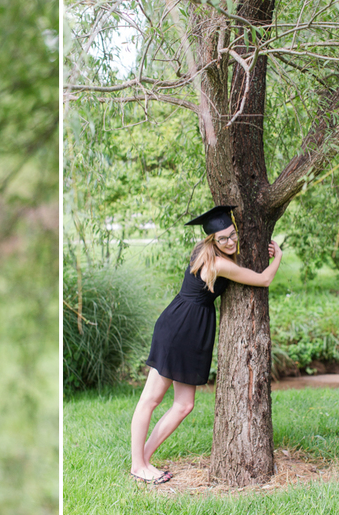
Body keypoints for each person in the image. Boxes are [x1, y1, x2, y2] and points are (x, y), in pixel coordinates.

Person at [129, 206, 282, 484]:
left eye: (232, 235)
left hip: (189, 329)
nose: (230, 241)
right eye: (222, 238)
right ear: (212, 240)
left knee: (184, 404)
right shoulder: (218, 263)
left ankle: (144, 459)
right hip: (179, 329)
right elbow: (263, 279)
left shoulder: (205, 252)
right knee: (150, 399)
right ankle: (138, 465)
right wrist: (278, 257)